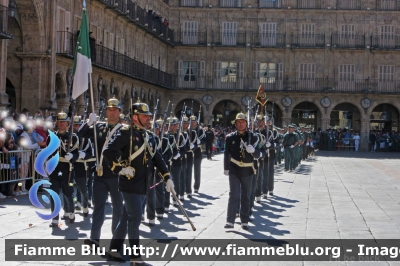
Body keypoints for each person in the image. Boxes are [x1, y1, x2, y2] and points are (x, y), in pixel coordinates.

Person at [103, 102, 174, 264]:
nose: (148, 118)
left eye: (149, 116)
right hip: (129, 183)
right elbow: (108, 152)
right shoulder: (125, 133)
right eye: (145, 116)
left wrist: (167, 177)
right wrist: (120, 169)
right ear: (135, 117)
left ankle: (114, 250)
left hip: (144, 184)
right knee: (135, 218)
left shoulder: (149, 136)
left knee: (127, 217)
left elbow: (157, 158)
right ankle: (135, 256)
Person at [79, 97, 123, 247]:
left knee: (118, 208)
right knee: (98, 207)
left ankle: (116, 240)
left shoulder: (124, 130)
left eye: (114, 110)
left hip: (117, 175)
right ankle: (94, 239)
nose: (111, 113)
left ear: (119, 112)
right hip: (100, 173)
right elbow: (81, 134)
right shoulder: (99, 127)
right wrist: (89, 123)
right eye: (109, 110)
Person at [223, 112, 261, 230]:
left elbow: (259, 154)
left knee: (246, 195)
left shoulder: (254, 137)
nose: (240, 124)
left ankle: (244, 220)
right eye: (238, 122)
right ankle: (230, 220)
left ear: (246, 123)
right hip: (234, 168)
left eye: (243, 122)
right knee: (233, 194)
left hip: (248, 169)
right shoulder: (230, 137)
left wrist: (253, 151)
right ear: (235, 123)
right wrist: (226, 168)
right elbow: (226, 153)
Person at [48, 110, 79, 227]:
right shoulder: (52, 137)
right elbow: (48, 152)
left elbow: (76, 153)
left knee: (68, 193)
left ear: (68, 124)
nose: (61, 124)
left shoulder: (73, 137)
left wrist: (72, 157)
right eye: (60, 122)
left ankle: (70, 211)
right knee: (54, 194)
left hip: (68, 169)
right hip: (55, 169)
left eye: (64, 122)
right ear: (57, 123)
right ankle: (55, 218)